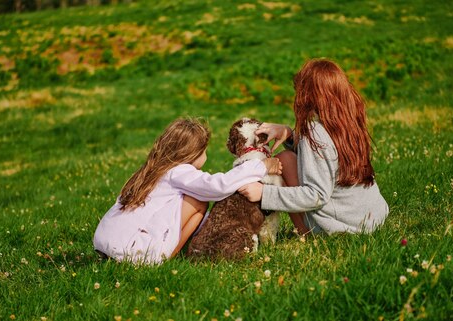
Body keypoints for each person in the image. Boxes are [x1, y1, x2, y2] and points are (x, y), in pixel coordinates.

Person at [93, 118, 282, 264]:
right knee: (198, 201)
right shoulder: (178, 171)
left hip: (107, 241)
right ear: (193, 153)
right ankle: (165, 258)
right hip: (133, 252)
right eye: (204, 151)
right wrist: (261, 166)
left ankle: (162, 250)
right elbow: (217, 186)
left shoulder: (151, 170)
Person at [238, 58, 389, 235]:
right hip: (371, 217)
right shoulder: (349, 121)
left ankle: (306, 233)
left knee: (282, 160)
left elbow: (316, 195)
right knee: (287, 158)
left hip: (344, 227)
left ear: (307, 96)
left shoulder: (315, 132)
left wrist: (265, 193)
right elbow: (327, 158)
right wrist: (289, 134)